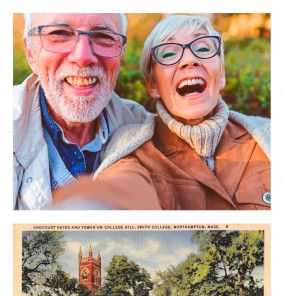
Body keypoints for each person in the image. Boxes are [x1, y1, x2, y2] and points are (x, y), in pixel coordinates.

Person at [62, 14, 269, 210]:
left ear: (221, 74)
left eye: (203, 48)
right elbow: (122, 188)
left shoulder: (268, 135)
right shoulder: (134, 150)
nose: (190, 60)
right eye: (169, 53)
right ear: (152, 85)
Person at [13, 13, 159, 210]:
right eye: (59, 34)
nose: (82, 57)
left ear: (121, 53)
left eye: (103, 37)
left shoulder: (144, 128)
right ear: (30, 52)